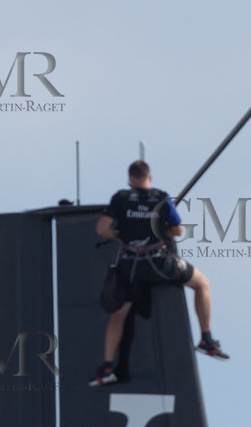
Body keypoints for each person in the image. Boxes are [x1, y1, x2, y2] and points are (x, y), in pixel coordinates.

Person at [91, 159, 228, 383]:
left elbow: (102, 229)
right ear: (150, 178)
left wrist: (121, 236)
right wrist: (163, 230)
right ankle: (206, 339)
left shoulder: (121, 198)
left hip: (129, 265)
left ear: (130, 180)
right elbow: (178, 230)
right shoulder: (160, 198)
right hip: (157, 263)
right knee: (202, 284)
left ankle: (106, 367)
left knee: (119, 314)